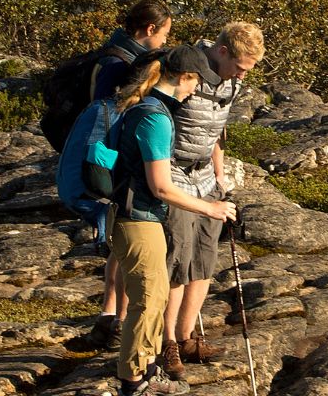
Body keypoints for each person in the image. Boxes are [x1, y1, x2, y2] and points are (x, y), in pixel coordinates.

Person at [110, 46, 237, 396]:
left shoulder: (150, 107)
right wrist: (209, 208)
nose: (196, 91)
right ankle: (135, 382)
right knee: (148, 301)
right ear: (184, 78)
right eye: (195, 83)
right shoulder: (155, 117)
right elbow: (162, 187)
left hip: (138, 216)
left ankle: (147, 372)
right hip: (139, 218)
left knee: (154, 296)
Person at [158, 22, 264, 377]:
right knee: (177, 261)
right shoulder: (185, 72)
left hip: (207, 178)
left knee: (204, 259)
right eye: (240, 67)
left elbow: (217, 132)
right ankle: (166, 342)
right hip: (173, 174)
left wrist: (220, 177)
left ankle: (187, 336)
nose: (242, 75)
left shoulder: (232, 82)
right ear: (222, 52)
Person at [85, 0, 173, 348]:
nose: (165, 41)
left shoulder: (110, 51)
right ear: (149, 29)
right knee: (124, 246)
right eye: (164, 33)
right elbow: (113, 114)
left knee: (116, 247)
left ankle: (109, 316)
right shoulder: (123, 65)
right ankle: (117, 320)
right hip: (117, 165)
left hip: (104, 160)